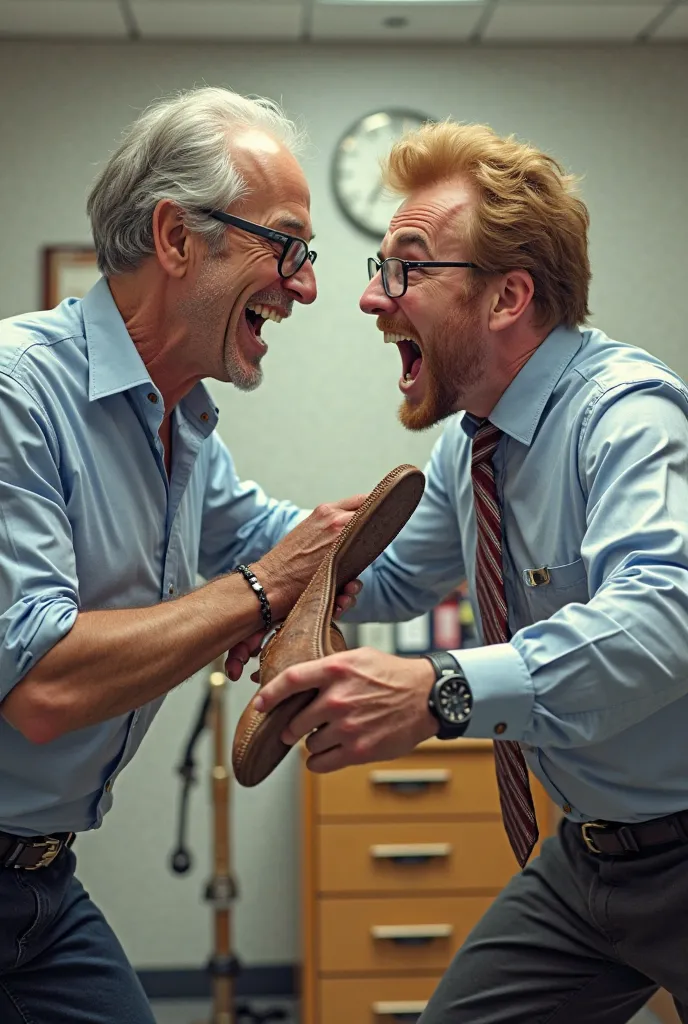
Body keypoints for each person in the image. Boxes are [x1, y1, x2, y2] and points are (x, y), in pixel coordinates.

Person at [249, 120, 688, 1022]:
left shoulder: (627, 418)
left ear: (507, 298)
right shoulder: (474, 445)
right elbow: (399, 579)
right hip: (594, 858)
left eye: (407, 266)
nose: (374, 299)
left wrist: (439, 689)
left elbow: (663, 618)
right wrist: (262, 592)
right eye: (381, 266)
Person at [0, 86, 363, 1024]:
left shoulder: (185, 427)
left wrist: (484, 449)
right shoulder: (19, 396)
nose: (307, 286)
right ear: (176, 239)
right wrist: (255, 593)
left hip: (39, 884)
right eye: (285, 246)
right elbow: (39, 684)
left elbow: (320, 558)